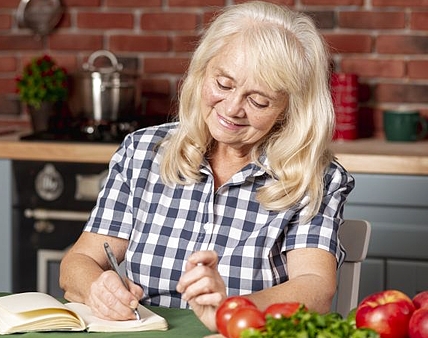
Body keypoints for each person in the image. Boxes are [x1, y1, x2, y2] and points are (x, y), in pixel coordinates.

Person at [59, 0, 355, 332]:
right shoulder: (143, 151)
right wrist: (98, 288)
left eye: (258, 100)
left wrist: (230, 309)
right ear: (202, 71)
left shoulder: (314, 177)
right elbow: (78, 262)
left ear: (290, 109)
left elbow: (315, 287)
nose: (232, 108)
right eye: (224, 84)